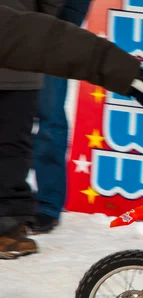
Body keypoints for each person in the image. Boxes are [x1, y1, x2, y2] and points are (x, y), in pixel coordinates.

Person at [0, 4, 143, 259]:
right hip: (30, 44)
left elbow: (38, 36)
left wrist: (129, 74)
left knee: (24, 132)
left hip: (29, 52)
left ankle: (33, 212)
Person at [32, 0, 93, 234]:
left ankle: (48, 205)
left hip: (56, 26)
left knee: (50, 114)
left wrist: (66, 23)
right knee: (13, 113)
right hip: (17, 21)